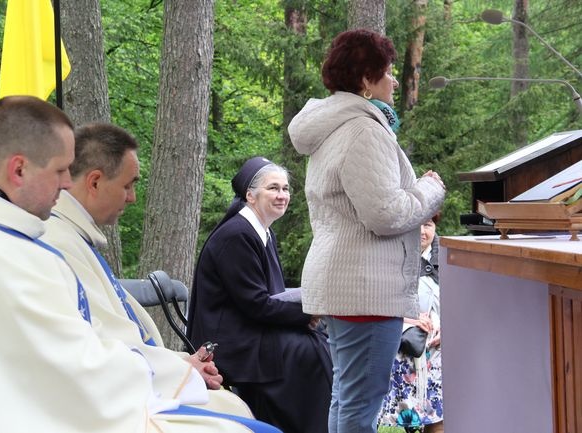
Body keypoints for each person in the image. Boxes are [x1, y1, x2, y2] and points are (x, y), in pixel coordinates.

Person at [0, 96, 279, 433]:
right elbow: (80, 369)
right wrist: (176, 372)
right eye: (60, 170)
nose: (69, 182)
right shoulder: (12, 255)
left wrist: (173, 368)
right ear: (19, 169)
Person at [287, 29, 446, 433]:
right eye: (387, 72)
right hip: (365, 291)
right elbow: (384, 213)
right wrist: (430, 189)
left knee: (347, 398)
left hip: (346, 287)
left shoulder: (335, 129)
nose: (394, 80)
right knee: (359, 408)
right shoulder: (364, 131)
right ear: (364, 80)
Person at [41, 122, 254, 417]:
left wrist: (184, 363)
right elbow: (97, 347)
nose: (132, 198)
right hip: (104, 405)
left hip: (137, 379)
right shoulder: (59, 244)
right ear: (94, 182)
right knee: (236, 416)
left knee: (233, 406)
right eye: (128, 185)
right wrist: (182, 371)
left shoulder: (73, 237)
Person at [186, 156, 333, 433]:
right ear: (250, 196)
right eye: (273, 188)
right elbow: (255, 304)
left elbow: (271, 297)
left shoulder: (261, 232)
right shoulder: (237, 235)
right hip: (230, 341)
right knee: (310, 351)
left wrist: (308, 311)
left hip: (251, 330)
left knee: (316, 341)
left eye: (286, 189)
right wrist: (307, 312)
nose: (282, 196)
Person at [378, 214, 443, 433]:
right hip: (405, 347)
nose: (422, 232)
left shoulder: (447, 256)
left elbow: (463, 300)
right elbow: (379, 301)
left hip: (438, 350)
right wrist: (409, 317)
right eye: (416, 226)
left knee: (438, 416)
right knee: (408, 419)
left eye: (428, 225)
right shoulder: (392, 257)